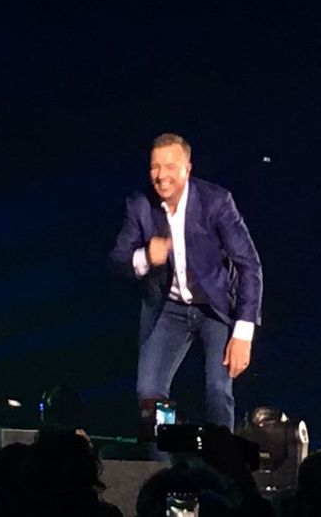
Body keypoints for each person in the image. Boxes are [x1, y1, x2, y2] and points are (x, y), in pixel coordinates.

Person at [110, 133, 263, 432]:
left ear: (187, 168)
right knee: (149, 394)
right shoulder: (140, 203)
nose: (161, 175)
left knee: (217, 391)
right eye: (155, 166)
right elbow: (117, 261)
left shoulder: (216, 202)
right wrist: (144, 257)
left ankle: (220, 470)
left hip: (214, 308)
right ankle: (164, 469)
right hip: (167, 308)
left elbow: (249, 265)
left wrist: (244, 333)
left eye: (170, 166)